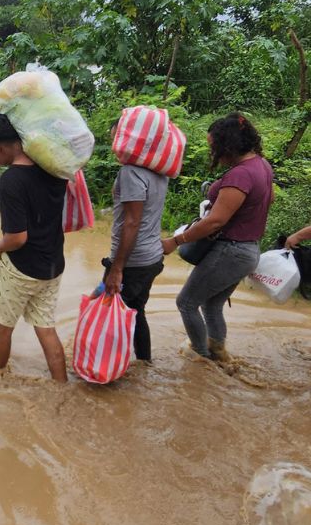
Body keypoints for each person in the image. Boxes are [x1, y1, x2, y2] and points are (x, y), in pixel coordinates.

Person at [162, 113, 274, 361]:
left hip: (231, 251)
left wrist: (175, 241)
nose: (212, 152)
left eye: (214, 147)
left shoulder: (240, 175)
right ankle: (219, 353)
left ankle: (200, 360)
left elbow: (216, 221)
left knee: (186, 303)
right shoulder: (262, 166)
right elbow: (268, 200)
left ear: (229, 144)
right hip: (248, 250)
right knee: (211, 305)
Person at [0, 113, 69, 382]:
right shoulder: (53, 168)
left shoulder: (12, 180)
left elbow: (17, 238)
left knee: (1, 327)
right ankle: (61, 386)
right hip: (52, 264)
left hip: (21, 268)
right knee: (46, 327)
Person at [101, 115, 171, 363]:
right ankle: (143, 363)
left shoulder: (131, 172)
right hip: (152, 258)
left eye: (116, 140)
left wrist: (116, 269)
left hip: (133, 262)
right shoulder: (159, 172)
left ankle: (105, 372)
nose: (114, 148)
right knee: (136, 312)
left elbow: (132, 222)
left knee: (109, 316)